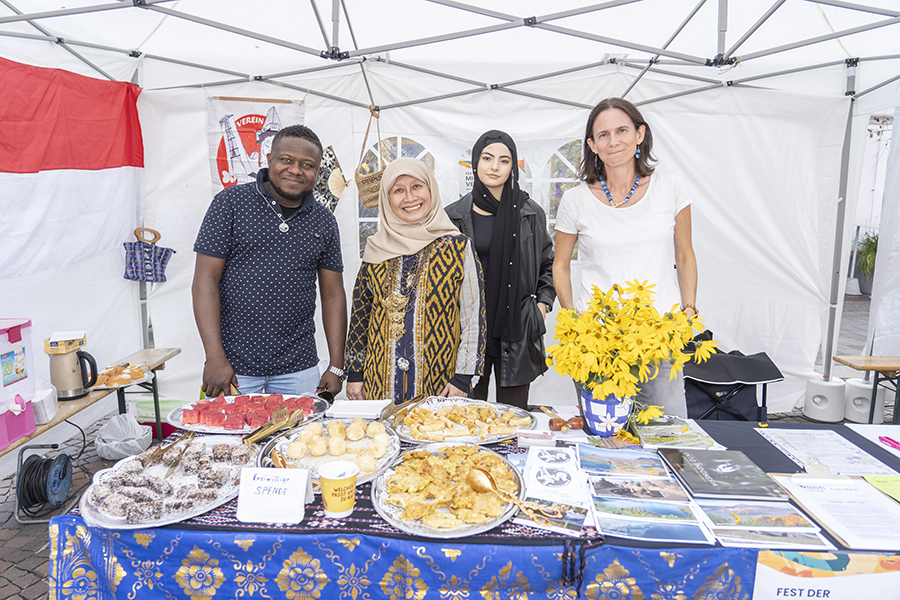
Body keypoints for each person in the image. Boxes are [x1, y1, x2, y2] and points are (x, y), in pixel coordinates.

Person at [553, 98, 698, 418]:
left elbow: (685, 254)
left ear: (640, 134)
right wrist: (571, 317)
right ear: (591, 145)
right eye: (602, 135)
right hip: (597, 341)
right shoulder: (575, 200)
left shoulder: (671, 188)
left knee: (667, 432)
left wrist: (689, 308)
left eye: (622, 130)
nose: (613, 141)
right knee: (605, 435)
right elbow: (560, 265)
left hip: (659, 336)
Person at [192, 124, 347, 398]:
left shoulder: (324, 222)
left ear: (318, 172)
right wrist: (214, 356)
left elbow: (333, 294)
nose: (295, 170)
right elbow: (205, 280)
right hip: (233, 368)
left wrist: (336, 366)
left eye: (307, 164)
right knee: (230, 442)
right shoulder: (230, 204)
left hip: (299, 369)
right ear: (269, 161)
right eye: (286, 160)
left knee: (299, 441)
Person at [345, 158, 485, 403]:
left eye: (417, 186)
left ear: (431, 189)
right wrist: (355, 373)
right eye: (398, 190)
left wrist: (463, 378)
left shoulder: (458, 247)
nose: (409, 198)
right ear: (387, 200)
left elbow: (473, 317)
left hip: (441, 386)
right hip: (378, 386)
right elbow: (360, 316)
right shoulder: (375, 250)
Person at [445, 130, 555, 409]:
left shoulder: (530, 212)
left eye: (504, 160)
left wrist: (541, 306)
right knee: (468, 418)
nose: (495, 167)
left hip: (516, 330)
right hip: (468, 334)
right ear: (475, 162)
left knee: (514, 419)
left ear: (513, 166)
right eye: (487, 158)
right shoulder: (453, 216)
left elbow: (548, 263)